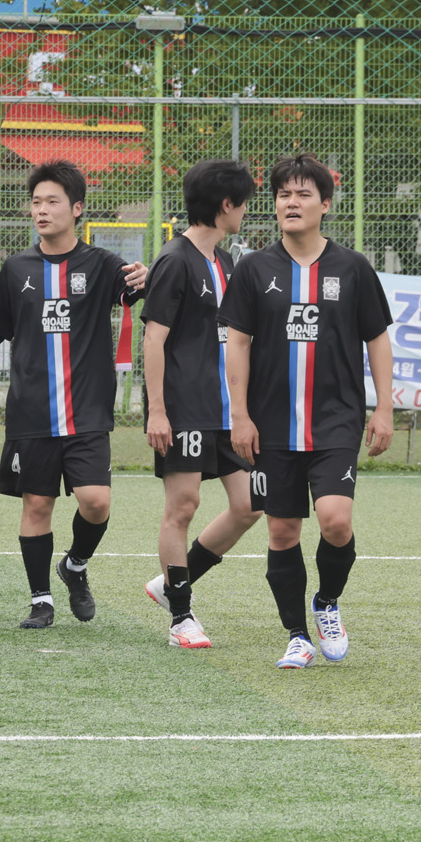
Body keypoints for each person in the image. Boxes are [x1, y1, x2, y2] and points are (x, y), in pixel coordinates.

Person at [218, 155, 395, 667]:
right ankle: (297, 635)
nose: (291, 203)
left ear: (325, 204)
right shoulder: (254, 269)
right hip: (271, 424)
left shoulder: (352, 268)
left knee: (336, 521)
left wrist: (384, 408)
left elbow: (378, 340)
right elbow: (237, 343)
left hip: (335, 419)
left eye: (302, 194)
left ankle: (327, 602)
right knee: (282, 531)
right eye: (283, 195)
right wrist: (239, 415)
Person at [0, 160, 147, 629]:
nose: (41, 210)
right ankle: (41, 600)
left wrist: (146, 277)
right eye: (36, 202)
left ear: (76, 208)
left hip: (87, 411)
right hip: (32, 412)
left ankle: (75, 566)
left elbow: (135, 293)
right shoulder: (17, 268)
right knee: (37, 504)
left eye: (52, 202)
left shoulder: (102, 264)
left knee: (95, 502)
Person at [140, 158, 261, 650]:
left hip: (225, 408)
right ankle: (181, 618)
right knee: (183, 506)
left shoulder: (226, 262)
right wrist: (157, 410)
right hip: (184, 406)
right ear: (226, 205)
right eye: (244, 204)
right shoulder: (175, 259)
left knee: (251, 504)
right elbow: (153, 339)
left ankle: (170, 583)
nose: (247, 212)